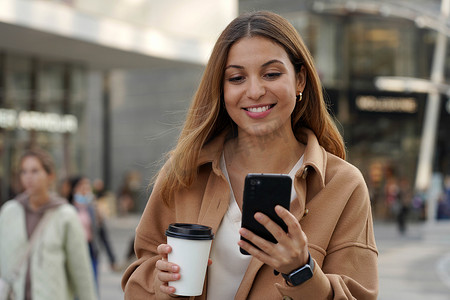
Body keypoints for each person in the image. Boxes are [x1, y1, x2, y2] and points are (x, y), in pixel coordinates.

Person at [122, 11, 378, 299]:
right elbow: (138, 280)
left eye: (271, 74)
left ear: (300, 80)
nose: (255, 91)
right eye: (236, 77)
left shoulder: (343, 185)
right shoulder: (184, 172)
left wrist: (301, 269)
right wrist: (160, 284)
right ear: (222, 88)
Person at [0, 149, 97, 300]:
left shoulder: (65, 215)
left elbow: (81, 271)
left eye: (35, 171)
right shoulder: (9, 212)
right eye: (24, 172)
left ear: (50, 176)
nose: (28, 177)